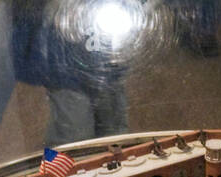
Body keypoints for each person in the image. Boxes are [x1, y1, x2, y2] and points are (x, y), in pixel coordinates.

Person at [13, 0, 132, 144]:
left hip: (108, 57)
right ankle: (57, 163)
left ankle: (114, 158)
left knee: (114, 129)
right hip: (65, 66)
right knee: (71, 134)